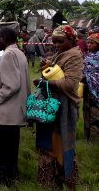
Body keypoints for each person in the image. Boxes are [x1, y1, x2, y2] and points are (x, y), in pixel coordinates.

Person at [34, 25, 83, 189]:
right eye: (53, 41)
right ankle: (51, 177)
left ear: (71, 40)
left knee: (61, 144)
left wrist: (46, 82)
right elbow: (55, 71)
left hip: (64, 107)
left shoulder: (74, 56)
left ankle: (63, 177)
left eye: (60, 41)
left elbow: (70, 84)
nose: (55, 45)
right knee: (49, 144)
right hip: (52, 105)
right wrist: (46, 67)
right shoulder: (61, 53)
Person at [0, 27, 30, 186]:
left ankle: (3, 182)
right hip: (15, 112)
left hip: (6, 114)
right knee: (10, 150)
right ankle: (11, 179)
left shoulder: (9, 54)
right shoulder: (19, 52)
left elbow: (11, 85)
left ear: (5, 38)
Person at [83, 33, 99, 140]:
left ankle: (95, 136)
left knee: (96, 113)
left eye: (92, 43)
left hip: (96, 91)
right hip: (87, 89)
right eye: (88, 42)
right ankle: (87, 136)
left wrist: (87, 77)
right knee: (86, 110)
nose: (89, 45)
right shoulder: (88, 56)